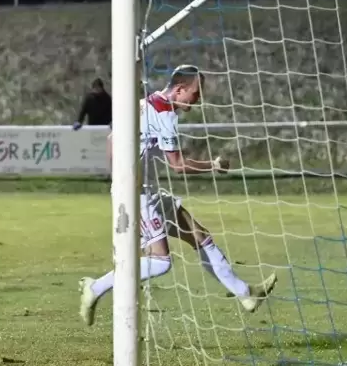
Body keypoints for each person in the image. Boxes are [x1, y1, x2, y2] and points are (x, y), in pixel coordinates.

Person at [78, 64, 277, 325]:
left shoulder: (144, 103)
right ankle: (95, 288)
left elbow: (111, 141)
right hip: (137, 196)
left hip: (145, 191)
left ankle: (246, 294)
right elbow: (178, 164)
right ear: (180, 89)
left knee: (200, 236)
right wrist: (213, 165)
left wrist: (121, 176)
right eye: (196, 93)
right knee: (161, 262)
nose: (199, 99)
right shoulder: (164, 114)